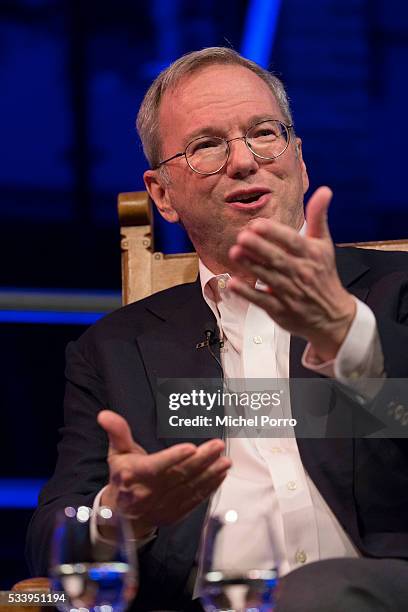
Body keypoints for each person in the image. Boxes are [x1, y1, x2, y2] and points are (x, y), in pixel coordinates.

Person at [26, 48, 408, 611]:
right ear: (162, 195)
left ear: (299, 163)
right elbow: (52, 538)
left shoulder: (395, 292)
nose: (244, 161)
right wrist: (122, 514)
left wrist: (349, 337)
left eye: (263, 134)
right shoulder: (115, 350)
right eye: (207, 146)